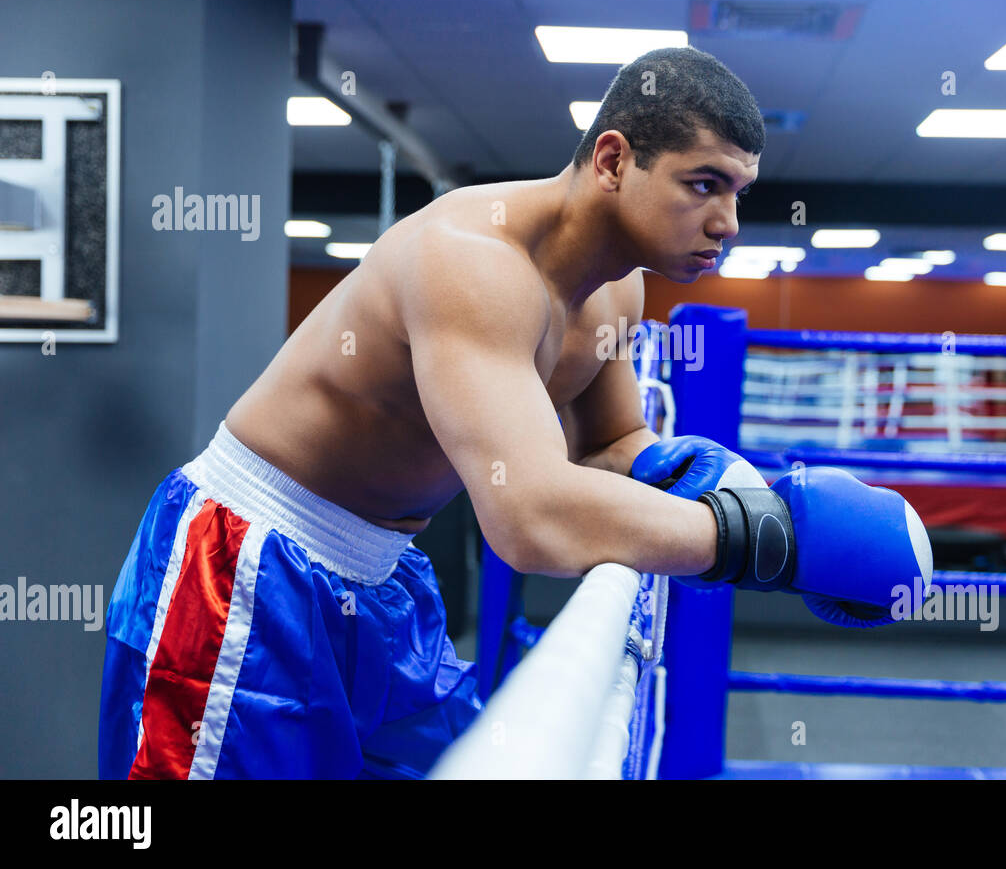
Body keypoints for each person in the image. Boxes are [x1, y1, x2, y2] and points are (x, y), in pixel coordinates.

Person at [99, 46, 930, 780]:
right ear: (613, 160)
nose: (728, 223)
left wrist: (690, 475)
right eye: (703, 184)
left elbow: (608, 443)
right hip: (247, 564)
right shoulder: (473, 264)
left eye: (741, 192)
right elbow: (531, 517)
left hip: (384, 576)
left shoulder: (617, 288)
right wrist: (770, 541)